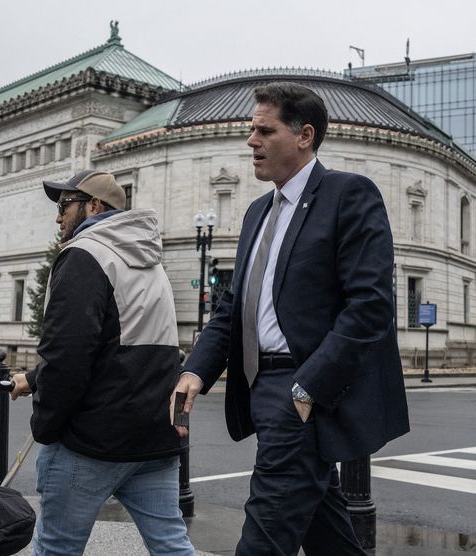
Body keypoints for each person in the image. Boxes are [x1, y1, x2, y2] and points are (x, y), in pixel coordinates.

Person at [174, 82, 409, 555]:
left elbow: (370, 306)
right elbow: (233, 306)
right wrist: (195, 370)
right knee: (328, 534)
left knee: (263, 538)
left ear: (304, 135)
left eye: (264, 130)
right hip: (262, 391)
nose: (251, 141)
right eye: (251, 130)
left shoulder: (348, 194)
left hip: (302, 392)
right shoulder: (258, 212)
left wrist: (308, 389)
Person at [11, 170, 195, 556]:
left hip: (91, 442)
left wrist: (45, 427)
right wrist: (34, 377)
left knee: (56, 548)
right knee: (172, 547)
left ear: (94, 206)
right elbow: (122, 346)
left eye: (64, 206)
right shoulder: (151, 261)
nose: (58, 217)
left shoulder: (84, 255)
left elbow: (69, 356)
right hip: (152, 440)